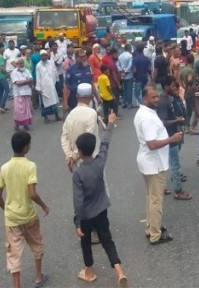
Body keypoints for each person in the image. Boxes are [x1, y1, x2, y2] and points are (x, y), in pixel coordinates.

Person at [72, 111, 128, 287]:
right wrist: (110, 123)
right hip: (101, 209)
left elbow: (78, 201)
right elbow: (105, 143)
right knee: (107, 240)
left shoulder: (78, 173)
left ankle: (89, 271)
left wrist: (77, 222)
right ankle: (119, 271)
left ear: (79, 151)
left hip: (87, 215)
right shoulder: (99, 162)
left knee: (86, 242)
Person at [0, 131, 50, 288]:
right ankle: (38, 277)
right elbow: (32, 193)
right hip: (29, 216)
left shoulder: (4, 168)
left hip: (11, 219)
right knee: (37, 244)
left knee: (14, 254)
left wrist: (7, 210)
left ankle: (16, 285)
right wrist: (44, 205)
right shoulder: (30, 166)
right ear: (26, 147)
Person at [134, 86, 183, 244]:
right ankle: (155, 234)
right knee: (156, 200)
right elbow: (152, 144)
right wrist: (172, 139)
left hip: (148, 162)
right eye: (153, 97)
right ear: (144, 98)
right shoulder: (147, 117)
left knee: (151, 198)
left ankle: (151, 228)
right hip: (153, 164)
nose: (156, 100)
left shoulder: (144, 113)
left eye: (157, 97)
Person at [156, 76, 192, 200]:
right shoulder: (163, 101)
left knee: (167, 162)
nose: (175, 88)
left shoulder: (169, 98)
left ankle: (162, 186)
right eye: (172, 86)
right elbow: (163, 122)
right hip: (169, 137)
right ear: (166, 87)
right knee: (175, 164)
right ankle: (178, 191)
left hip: (172, 135)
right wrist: (176, 120)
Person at [35, 50, 61, 123]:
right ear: (40, 57)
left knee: (54, 100)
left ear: (47, 55)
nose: (44, 57)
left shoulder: (51, 62)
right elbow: (38, 77)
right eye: (42, 56)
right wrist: (38, 88)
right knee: (45, 103)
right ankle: (46, 118)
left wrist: (55, 81)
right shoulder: (38, 65)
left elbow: (54, 71)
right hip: (43, 86)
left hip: (51, 84)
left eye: (45, 55)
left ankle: (56, 115)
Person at [11, 59, 33, 131]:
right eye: (20, 64)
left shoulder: (26, 70)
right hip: (18, 94)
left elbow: (31, 80)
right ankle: (16, 125)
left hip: (27, 93)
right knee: (18, 111)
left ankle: (26, 125)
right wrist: (27, 81)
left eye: (22, 63)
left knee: (27, 110)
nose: (22, 65)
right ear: (17, 64)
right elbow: (18, 83)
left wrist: (24, 81)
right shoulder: (14, 72)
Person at [0, 45, 10, 113]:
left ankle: (1, 106)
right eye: (2, 47)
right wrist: (8, 74)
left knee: (1, 91)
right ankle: (1, 106)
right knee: (7, 90)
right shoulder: (0, 57)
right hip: (2, 76)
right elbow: (2, 68)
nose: (4, 49)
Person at [117, 44, 134, 109]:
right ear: (129, 49)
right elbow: (130, 65)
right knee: (129, 89)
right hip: (129, 75)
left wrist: (121, 70)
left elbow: (118, 65)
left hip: (122, 75)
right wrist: (126, 71)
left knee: (124, 89)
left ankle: (124, 102)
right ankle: (129, 103)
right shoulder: (130, 56)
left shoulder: (120, 56)